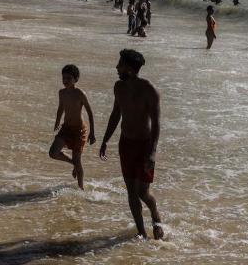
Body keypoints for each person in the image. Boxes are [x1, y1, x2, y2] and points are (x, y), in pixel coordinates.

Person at [99, 49, 164, 240]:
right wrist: (105, 140)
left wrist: (152, 152)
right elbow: (115, 114)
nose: (116, 67)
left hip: (144, 146)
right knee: (131, 191)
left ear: (129, 67)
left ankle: (155, 216)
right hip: (126, 144)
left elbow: (156, 123)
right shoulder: (118, 87)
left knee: (143, 192)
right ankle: (142, 233)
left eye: (120, 64)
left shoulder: (149, 90)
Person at [48, 64, 96, 189]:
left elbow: (90, 112)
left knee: (78, 160)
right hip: (66, 128)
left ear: (76, 79)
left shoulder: (79, 93)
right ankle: (73, 163)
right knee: (53, 153)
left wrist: (92, 133)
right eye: (63, 78)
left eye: (69, 78)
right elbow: (60, 109)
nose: (65, 81)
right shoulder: (62, 93)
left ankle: (81, 188)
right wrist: (57, 123)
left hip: (79, 131)